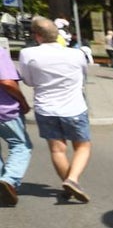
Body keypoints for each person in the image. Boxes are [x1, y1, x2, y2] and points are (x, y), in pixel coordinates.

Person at [16, 16, 92, 202]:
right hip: (74, 107)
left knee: (57, 150)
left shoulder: (27, 54)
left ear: (37, 35)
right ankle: (72, 180)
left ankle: (69, 183)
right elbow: (83, 77)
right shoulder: (76, 54)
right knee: (82, 146)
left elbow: (28, 80)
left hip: (46, 108)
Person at [0, 46, 32, 206]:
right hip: (4, 110)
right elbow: (6, 82)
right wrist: (23, 101)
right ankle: (9, 180)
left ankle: (3, 184)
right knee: (21, 145)